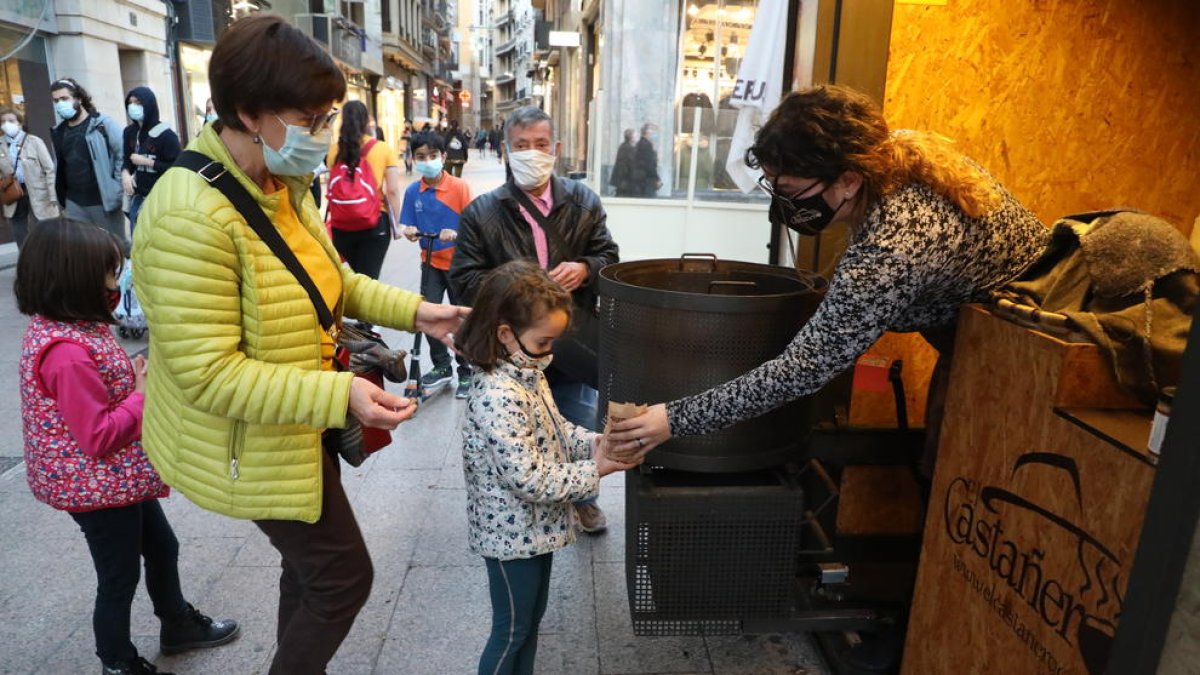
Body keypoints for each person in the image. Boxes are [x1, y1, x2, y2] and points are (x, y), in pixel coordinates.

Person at [607, 85, 1048, 669]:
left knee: (968, 488)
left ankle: (943, 635)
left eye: (791, 192)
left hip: (1025, 356)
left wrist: (673, 417)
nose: (782, 206)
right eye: (775, 187)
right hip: (986, 337)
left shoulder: (898, 240)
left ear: (847, 179)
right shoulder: (893, 157)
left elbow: (806, 367)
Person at [131, 16, 467, 675]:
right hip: (251, 438)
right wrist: (342, 390)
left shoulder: (281, 182)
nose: (325, 133)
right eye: (311, 117)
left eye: (329, 116)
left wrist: (422, 311)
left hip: (297, 421)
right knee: (343, 577)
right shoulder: (185, 213)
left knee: (308, 572)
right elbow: (209, 372)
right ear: (249, 112)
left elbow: (330, 278)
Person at [15, 217, 240, 675]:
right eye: (110, 272)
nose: (117, 282)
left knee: (162, 547)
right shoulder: (67, 351)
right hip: (94, 486)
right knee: (118, 577)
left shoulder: (77, 324)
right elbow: (97, 436)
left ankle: (176, 623)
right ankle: (117, 661)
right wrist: (141, 395)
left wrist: (132, 379)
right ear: (74, 277)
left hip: (113, 480)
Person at [457, 260, 639, 675]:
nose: (550, 354)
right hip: (510, 535)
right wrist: (598, 468)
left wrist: (596, 442)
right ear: (505, 333)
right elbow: (529, 478)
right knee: (511, 632)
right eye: (543, 343)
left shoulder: (526, 371)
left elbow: (556, 430)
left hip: (534, 529)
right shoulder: (497, 394)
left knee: (529, 625)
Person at [450, 106, 620, 534]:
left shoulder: (584, 202)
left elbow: (610, 258)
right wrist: (521, 288)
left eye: (540, 145)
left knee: (577, 419)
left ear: (556, 149)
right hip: (513, 345)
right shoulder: (482, 213)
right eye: (522, 146)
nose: (532, 153)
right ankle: (523, 497)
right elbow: (464, 282)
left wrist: (585, 268)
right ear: (506, 150)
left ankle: (584, 497)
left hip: (571, 333)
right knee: (522, 427)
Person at [399, 130, 474, 398]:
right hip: (429, 261)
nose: (427, 160)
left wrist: (456, 233)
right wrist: (408, 231)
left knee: (461, 317)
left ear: (443, 157)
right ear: (413, 159)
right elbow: (407, 223)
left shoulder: (459, 188)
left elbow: (475, 226)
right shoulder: (412, 192)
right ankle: (442, 366)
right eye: (421, 156)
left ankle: (467, 370)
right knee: (429, 313)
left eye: (433, 155)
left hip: (457, 264)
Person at [325, 99, 403, 281]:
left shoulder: (334, 150)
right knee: (369, 281)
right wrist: (398, 224)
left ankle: (350, 310)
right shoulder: (383, 149)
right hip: (375, 222)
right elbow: (392, 191)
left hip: (341, 224)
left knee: (350, 280)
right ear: (367, 121)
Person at [49, 78, 127, 248]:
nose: (60, 104)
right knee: (83, 252)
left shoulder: (102, 124)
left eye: (64, 98)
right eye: (56, 101)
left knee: (115, 247)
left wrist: (116, 186)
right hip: (74, 204)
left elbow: (123, 153)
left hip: (103, 202)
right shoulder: (59, 131)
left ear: (78, 98)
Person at [122, 87, 181, 236]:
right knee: (137, 242)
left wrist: (148, 162)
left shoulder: (167, 135)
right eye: (130, 103)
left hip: (161, 200)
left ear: (148, 105)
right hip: (138, 198)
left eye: (138, 102)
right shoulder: (129, 132)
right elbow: (126, 160)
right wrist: (125, 174)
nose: (133, 106)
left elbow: (177, 168)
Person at [0, 107, 59, 249]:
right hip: (13, 191)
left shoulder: (34, 141)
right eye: (3, 121)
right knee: (19, 230)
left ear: (19, 123)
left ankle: (49, 259)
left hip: (38, 190)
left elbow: (49, 169)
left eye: (11, 120)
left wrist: (53, 195)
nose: (7, 124)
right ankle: (27, 259)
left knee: (44, 227)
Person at [632, 122, 662, 197]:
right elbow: (650, 165)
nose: (655, 135)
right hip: (647, 180)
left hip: (642, 180)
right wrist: (657, 179)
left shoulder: (641, 144)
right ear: (647, 133)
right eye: (654, 132)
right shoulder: (646, 145)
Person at [609, 128, 637, 197]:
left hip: (621, 180)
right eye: (635, 136)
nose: (637, 138)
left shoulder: (623, 146)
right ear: (631, 138)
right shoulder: (629, 149)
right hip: (626, 180)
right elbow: (632, 165)